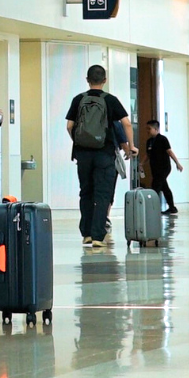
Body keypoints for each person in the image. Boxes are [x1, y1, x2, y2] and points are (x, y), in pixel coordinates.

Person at [66, 64, 133, 250]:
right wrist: (131, 145)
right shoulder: (110, 100)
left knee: (85, 192)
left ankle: (86, 234)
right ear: (105, 80)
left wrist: (79, 142)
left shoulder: (78, 99)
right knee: (102, 194)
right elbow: (126, 123)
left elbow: (69, 126)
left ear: (87, 80)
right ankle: (97, 235)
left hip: (83, 154)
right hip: (104, 154)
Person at [142, 121, 182, 215]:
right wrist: (141, 164)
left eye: (149, 129)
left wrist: (177, 163)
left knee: (156, 186)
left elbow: (169, 152)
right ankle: (172, 207)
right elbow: (148, 155)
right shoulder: (149, 141)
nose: (147, 131)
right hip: (155, 168)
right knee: (164, 187)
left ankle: (152, 208)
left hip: (164, 167)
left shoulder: (163, 139)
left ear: (156, 129)